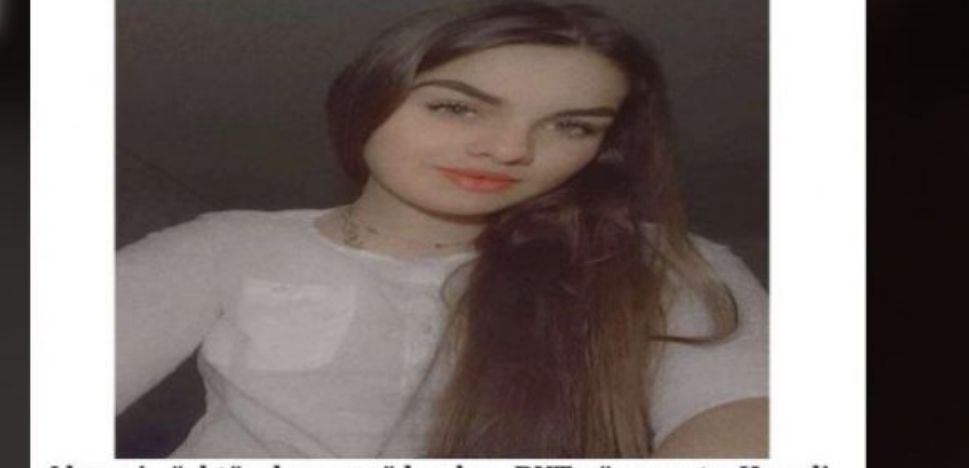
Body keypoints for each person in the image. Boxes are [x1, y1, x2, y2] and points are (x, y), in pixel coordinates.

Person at [116, 0, 768, 458]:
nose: (510, 149)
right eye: (456, 107)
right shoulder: (227, 246)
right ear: (370, 95)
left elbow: (747, 411)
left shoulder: (658, 260)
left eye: (571, 125)